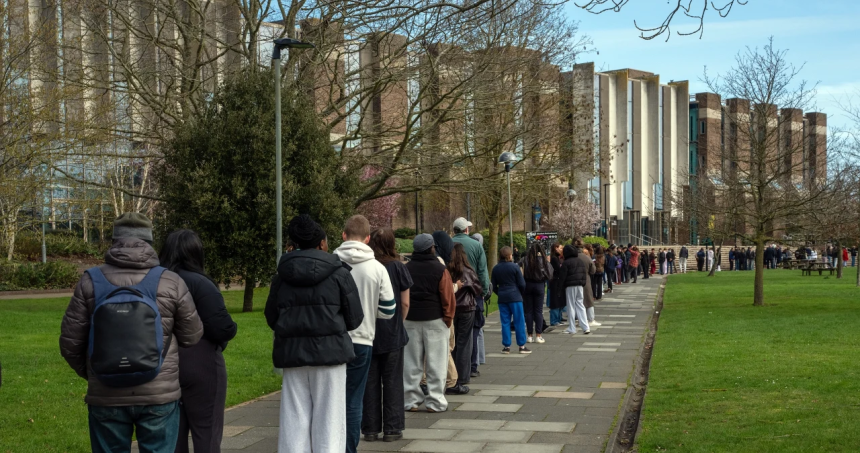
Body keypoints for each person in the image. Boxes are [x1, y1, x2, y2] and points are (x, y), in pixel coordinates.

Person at [60, 213, 204, 453]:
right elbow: (192, 335)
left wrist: (94, 372)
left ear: (114, 240)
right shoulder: (170, 281)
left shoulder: (89, 281)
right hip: (158, 393)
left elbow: (70, 343)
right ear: (149, 241)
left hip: (106, 394)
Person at [265, 215, 363, 453]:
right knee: (330, 419)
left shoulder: (281, 276)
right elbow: (354, 319)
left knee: (293, 418)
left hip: (292, 354)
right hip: (330, 356)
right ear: (321, 243)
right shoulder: (339, 273)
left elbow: (271, 316)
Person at [160, 230, 237, 453]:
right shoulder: (200, 283)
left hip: (164, 363)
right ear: (196, 253)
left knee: (173, 436)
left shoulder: (155, 281)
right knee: (207, 434)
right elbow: (222, 327)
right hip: (201, 362)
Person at [333, 215, 397, 453]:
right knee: (353, 399)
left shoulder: (332, 263)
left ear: (343, 235)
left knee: (331, 398)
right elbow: (389, 310)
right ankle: (349, 448)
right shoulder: (377, 268)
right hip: (362, 339)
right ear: (368, 238)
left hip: (334, 339)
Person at [362, 228, 413, 443]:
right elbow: (405, 302)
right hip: (391, 331)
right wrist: (397, 323)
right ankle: (392, 429)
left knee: (369, 382)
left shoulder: (364, 267)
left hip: (366, 331)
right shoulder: (398, 268)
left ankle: (370, 429)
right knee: (392, 381)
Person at [404, 234, 456, 413]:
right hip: (435, 320)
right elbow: (448, 297)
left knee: (411, 364)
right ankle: (435, 401)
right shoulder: (440, 269)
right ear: (432, 248)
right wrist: (448, 320)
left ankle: (410, 400)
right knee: (436, 363)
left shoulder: (406, 268)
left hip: (410, 320)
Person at [447, 243, 481, 393]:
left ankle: (452, 375)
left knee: (452, 343)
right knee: (465, 342)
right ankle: (463, 375)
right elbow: (478, 289)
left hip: (453, 308)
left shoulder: (448, 270)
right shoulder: (469, 271)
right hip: (467, 308)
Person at [492, 246, 530, 354]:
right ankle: (521, 346)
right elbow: (522, 284)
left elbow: (493, 285)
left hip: (503, 297)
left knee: (505, 322)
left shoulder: (496, 268)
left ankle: (506, 346)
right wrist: (520, 293)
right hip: (515, 296)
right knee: (519, 321)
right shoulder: (515, 267)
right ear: (509, 255)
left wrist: (499, 292)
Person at [522, 242, 553, 344]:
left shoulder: (525, 260)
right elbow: (550, 274)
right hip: (539, 285)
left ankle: (529, 335)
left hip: (528, 285)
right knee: (538, 311)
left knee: (529, 311)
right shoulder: (544, 261)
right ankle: (538, 335)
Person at [557, 244, 591, 335]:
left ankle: (572, 328)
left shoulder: (566, 262)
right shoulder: (580, 261)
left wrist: (559, 288)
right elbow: (584, 274)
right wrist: (582, 283)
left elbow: (562, 277)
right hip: (580, 285)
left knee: (571, 306)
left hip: (570, 286)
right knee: (580, 305)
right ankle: (585, 327)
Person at [469, 233, 488, 378]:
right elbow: (483, 271)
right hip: (476, 295)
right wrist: (485, 291)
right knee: (476, 330)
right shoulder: (478, 249)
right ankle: (475, 362)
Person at [549, 242, 566, 326]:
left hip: (558, 282)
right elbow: (559, 270)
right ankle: (554, 320)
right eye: (560, 248)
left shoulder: (557, 258)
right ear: (556, 248)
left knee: (559, 300)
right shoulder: (554, 259)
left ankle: (558, 318)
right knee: (555, 301)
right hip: (555, 282)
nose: (562, 250)